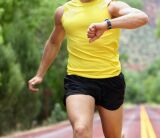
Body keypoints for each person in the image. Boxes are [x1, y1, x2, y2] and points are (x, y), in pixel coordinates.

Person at [28, 0, 148, 137]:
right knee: (80, 130)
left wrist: (106, 25)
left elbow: (141, 17)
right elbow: (54, 42)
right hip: (78, 80)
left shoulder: (111, 6)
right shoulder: (63, 11)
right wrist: (40, 74)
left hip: (111, 79)